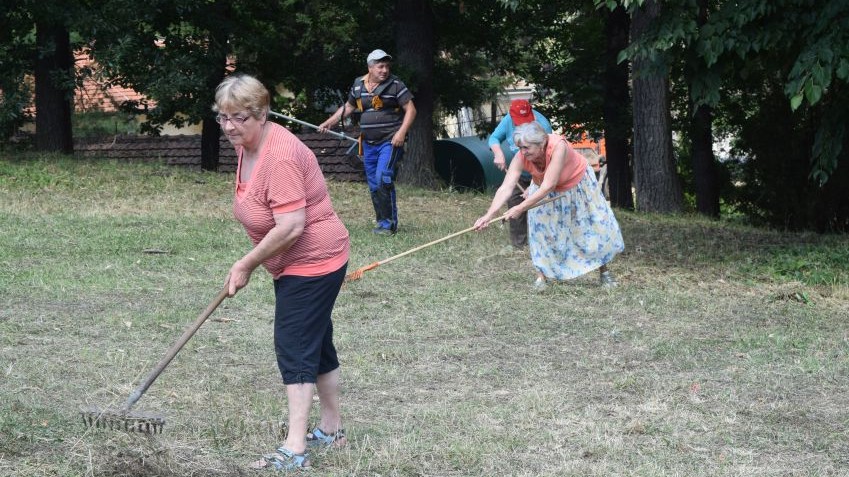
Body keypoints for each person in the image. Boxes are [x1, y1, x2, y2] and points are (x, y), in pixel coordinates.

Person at [213, 74, 350, 471]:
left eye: (239, 118)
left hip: (314, 262)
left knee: (295, 348)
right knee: (316, 344)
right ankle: (332, 430)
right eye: (224, 118)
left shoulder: (280, 155)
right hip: (294, 262)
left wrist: (247, 262)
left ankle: (294, 449)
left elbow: (291, 225)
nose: (229, 127)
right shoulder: (248, 144)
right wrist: (258, 260)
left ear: (261, 113)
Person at [474, 121, 624, 290]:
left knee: (588, 228)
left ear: (542, 143)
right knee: (541, 230)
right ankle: (542, 277)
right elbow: (506, 187)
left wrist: (520, 207)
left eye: (526, 148)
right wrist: (489, 215)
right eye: (520, 147)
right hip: (542, 187)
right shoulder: (521, 156)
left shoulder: (558, 147)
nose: (522, 152)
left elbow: (549, 186)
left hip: (576, 185)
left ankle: (604, 272)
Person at [318, 48, 417, 235]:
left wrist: (401, 133)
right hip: (369, 144)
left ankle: (389, 224)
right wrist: (328, 123)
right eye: (380, 66)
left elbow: (411, 110)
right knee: (373, 183)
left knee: (383, 178)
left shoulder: (396, 84)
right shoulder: (358, 85)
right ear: (370, 68)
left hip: (390, 141)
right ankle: (381, 222)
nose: (384, 70)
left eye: (387, 66)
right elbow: (348, 107)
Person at [487, 99, 553, 249]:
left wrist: (534, 184)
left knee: (540, 207)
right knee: (514, 203)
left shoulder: (543, 125)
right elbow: (494, 138)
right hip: (518, 170)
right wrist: (498, 153)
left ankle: (543, 245)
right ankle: (519, 246)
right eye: (518, 121)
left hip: (542, 171)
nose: (522, 124)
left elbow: (549, 160)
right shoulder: (508, 119)